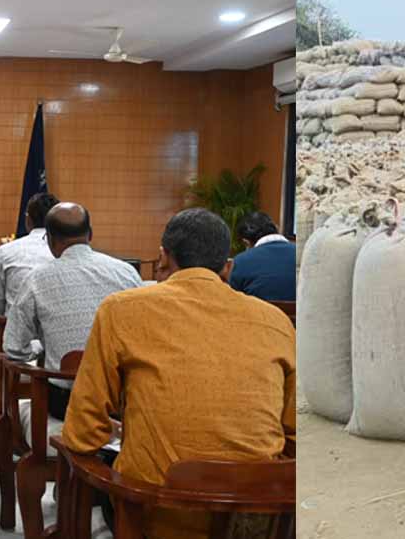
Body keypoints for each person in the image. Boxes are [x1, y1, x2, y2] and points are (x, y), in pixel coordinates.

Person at [62, 208, 296, 539]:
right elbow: (294, 437)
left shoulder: (120, 310)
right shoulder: (277, 322)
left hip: (155, 512)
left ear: (163, 257)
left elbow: (82, 430)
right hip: (255, 520)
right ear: (227, 268)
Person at [3, 202, 141, 420]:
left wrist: (40, 347)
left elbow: (13, 348)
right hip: (122, 401)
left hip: (66, 404)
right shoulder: (127, 273)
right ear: (90, 234)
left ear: (49, 240)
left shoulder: (37, 279)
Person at [0, 192, 60, 316]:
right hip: (56, 324)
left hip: (13, 325)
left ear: (28, 219)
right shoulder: (65, 252)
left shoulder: (5, 251)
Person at [228, 211, 296, 301]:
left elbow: (232, 301)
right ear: (277, 228)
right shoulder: (302, 253)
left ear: (246, 242)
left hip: (255, 310)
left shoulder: (240, 261)